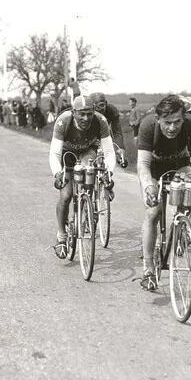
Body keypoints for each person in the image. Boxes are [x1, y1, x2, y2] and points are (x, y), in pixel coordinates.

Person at [136, 94, 191, 291]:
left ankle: (180, 224)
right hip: (153, 169)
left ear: (184, 118)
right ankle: (147, 269)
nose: (172, 128)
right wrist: (149, 186)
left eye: (177, 122)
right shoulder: (147, 125)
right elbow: (143, 164)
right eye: (167, 123)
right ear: (158, 119)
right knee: (153, 212)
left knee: (190, 185)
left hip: (180, 164)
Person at [48, 95, 117, 258]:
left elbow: (108, 152)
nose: (86, 118)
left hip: (87, 150)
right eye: (81, 114)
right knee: (65, 195)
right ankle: (61, 236)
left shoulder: (100, 121)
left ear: (94, 112)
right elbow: (54, 153)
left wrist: (109, 172)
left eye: (89, 114)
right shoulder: (63, 121)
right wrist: (58, 174)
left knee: (89, 168)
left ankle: (86, 209)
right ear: (73, 112)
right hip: (67, 153)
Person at [87, 92, 126, 166]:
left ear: (106, 103)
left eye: (101, 106)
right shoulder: (85, 111)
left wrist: (119, 148)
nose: (98, 112)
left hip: (103, 134)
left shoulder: (112, 111)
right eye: (94, 109)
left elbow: (117, 131)